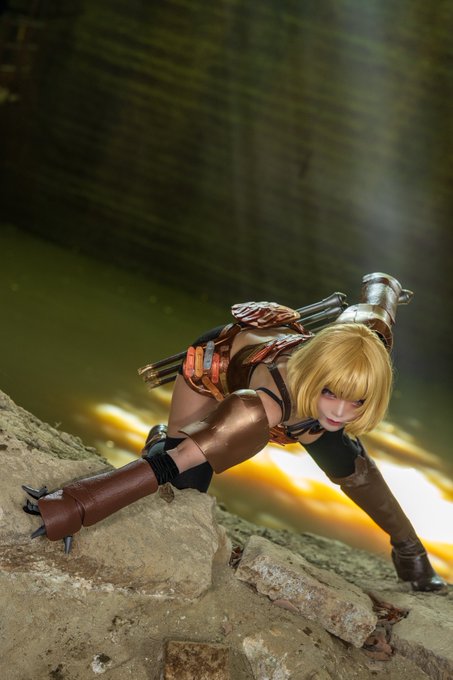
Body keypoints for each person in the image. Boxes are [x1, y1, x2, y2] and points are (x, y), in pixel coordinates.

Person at [22, 273, 447, 592]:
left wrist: (385, 287)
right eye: (332, 395)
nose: (340, 412)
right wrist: (74, 506)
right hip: (218, 368)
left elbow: (374, 312)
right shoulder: (258, 408)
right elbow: (173, 465)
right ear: (318, 380)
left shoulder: (364, 348)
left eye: (356, 401)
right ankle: (162, 437)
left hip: (300, 401)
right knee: (185, 483)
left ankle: (410, 553)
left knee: (356, 471)